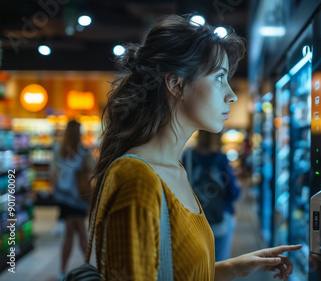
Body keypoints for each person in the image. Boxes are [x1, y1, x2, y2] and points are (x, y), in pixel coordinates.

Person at [88, 14, 301, 281]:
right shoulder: (136, 177)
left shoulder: (174, 168)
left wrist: (232, 267)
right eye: (219, 78)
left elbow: (174, 273)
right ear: (176, 84)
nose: (231, 94)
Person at [181, 130, 241, 262]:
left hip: (194, 217)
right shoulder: (221, 159)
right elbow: (234, 192)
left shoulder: (188, 157)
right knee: (220, 261)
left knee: (196, 262)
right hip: (221, 216)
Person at [51, 120, 93, 280]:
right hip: (78, 197)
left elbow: (53, 173)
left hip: (63, 196)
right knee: (80, 231)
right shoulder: (83, 151)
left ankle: (64, 270)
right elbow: (93, 167)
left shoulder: (58, 150)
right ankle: (89, 268)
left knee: (70, 232)